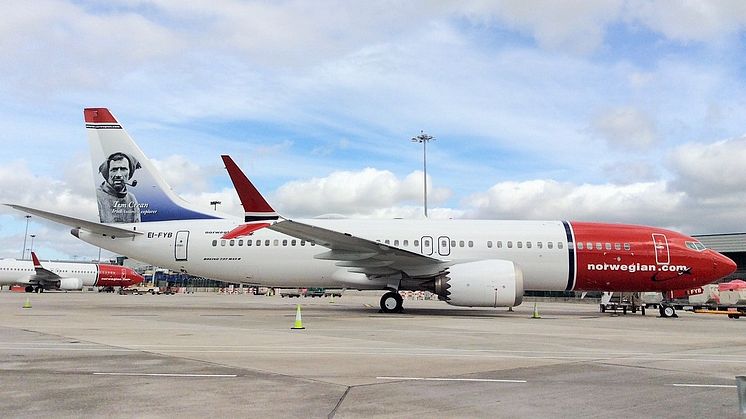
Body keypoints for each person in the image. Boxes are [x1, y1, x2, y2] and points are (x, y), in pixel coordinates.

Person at [96, 152, 141, 223]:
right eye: (114, 169)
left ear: (129, 173)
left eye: (123, 169)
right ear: (108, 173)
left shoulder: (131, 198)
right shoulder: (97, 196)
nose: (118, 174)